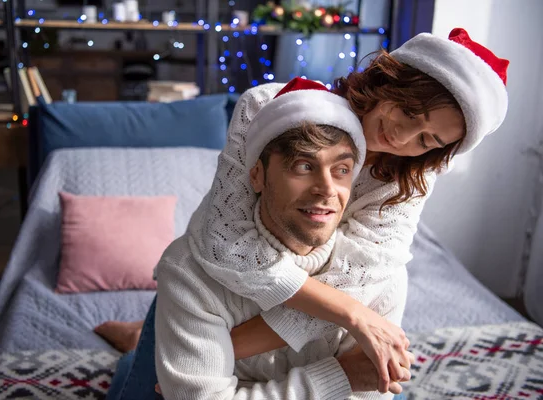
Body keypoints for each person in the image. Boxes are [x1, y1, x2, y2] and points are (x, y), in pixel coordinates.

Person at [100, 28, 509, 399]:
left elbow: (361, 277)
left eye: (427, 139)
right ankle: (139, 346)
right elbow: (226, 244)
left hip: (295, 332)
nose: (401, 137)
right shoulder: (272, 107)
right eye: (408, 112)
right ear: (392, 77)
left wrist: (219, 350)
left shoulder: (409, 178)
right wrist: (351, 315)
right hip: (217, 300)